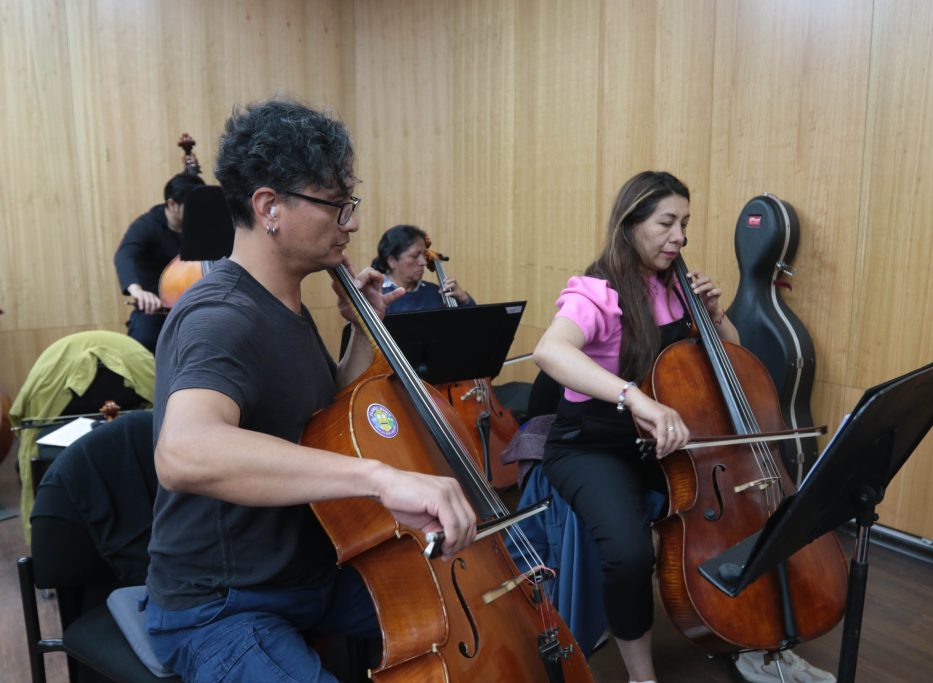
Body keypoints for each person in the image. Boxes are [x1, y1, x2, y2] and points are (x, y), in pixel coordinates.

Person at [143, 98, 476, 683]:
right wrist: (379, 477)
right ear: (269, 207)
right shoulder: (220, 314)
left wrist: (362, 331)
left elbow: (321, 418)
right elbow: (184, 451)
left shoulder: (287, 303)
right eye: (337, 206)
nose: (350, 223)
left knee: (471, 601)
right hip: (223, 603)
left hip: (315, 568)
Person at [531, 171, 835, 683]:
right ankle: (641, 677)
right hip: (594, 446)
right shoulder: (598, 291)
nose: (680, 237)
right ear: (631, 224)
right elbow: (549, 350)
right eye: (667, 222)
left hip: (664, 442)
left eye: (685, 224)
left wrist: (715, 317)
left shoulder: (679, 288)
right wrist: (634, 397)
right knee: (628, 556)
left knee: (750, 518)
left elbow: (733, 360)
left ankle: (756, 641)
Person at [114, 172, 206, 352]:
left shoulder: (203, 225)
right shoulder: (147, 224)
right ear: (172, 204)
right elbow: (124, 254)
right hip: (156, 305)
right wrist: (138, 291)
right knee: (143, 341)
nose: (199, 211)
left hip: (196, 305)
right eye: (192, 206)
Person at [372, 224, 475, 313]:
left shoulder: (435, 292)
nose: (424, 262)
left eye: (424, 255)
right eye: (414, 256)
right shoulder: (376, 295)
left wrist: (465, 300)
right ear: (392, 261)